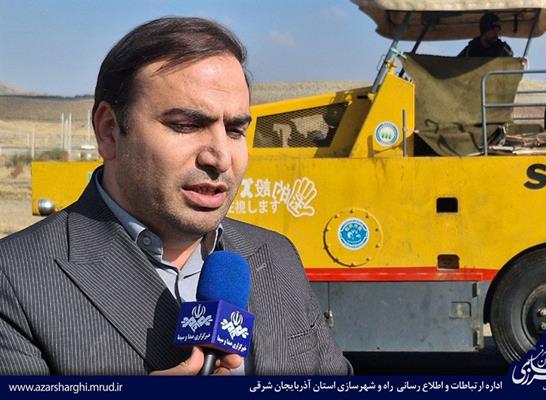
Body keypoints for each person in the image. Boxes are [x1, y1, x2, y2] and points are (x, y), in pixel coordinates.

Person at [0, 17, 351, 376]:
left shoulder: (276, 256)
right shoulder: (14, 279)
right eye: (186, 125)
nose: (220, 158)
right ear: (109, 131)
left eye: (234, 130)